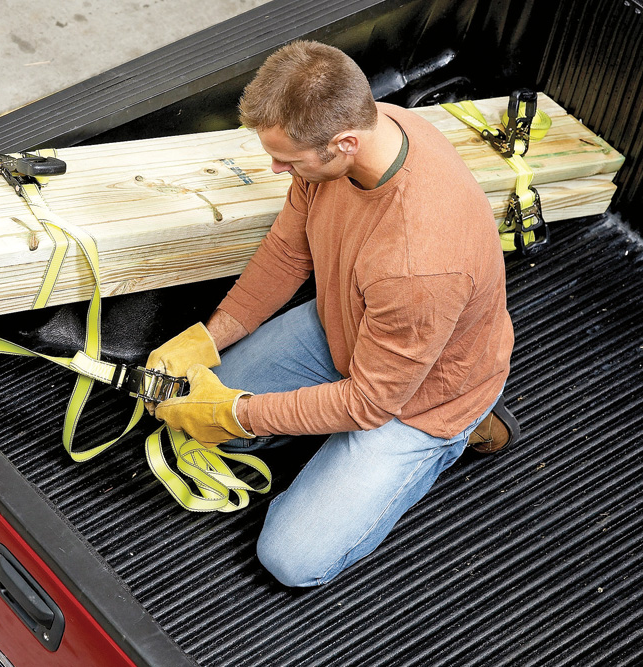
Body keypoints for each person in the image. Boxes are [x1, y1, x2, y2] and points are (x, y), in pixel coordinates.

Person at [147, 40, 518, 587]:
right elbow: (287, 252)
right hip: (349, 327)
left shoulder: (420, 264)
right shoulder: (369, 125)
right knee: (193, 404)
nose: (276, 169)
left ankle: (464, 427)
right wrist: (206, 338)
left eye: (289, 160)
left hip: (416, 399)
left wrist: (239, 414)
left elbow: (369, 403)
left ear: (344, 143)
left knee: (292, 559)